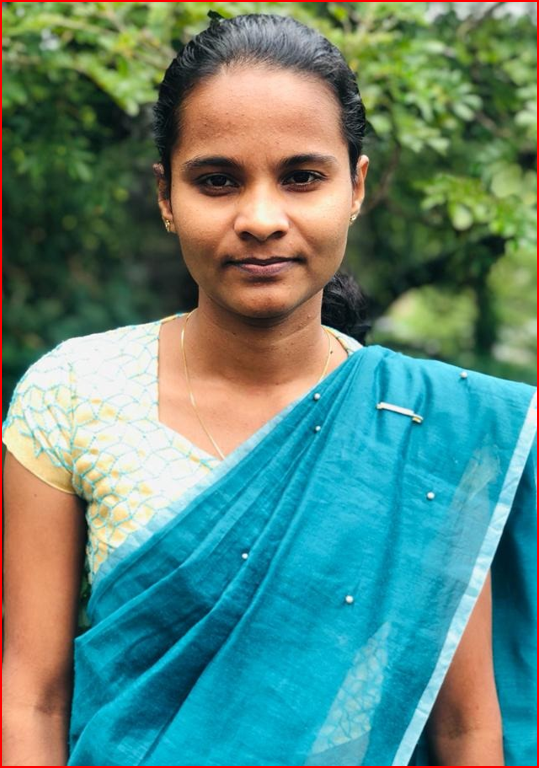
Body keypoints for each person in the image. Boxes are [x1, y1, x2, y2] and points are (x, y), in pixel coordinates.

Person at [2, 11, 536, 768]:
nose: (260, 219)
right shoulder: (73, 393)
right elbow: (31, 696)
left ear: (354, 187)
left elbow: (465, 730)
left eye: (301, 177)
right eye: (217, 181)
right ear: (165, 195)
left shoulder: (429, 428)